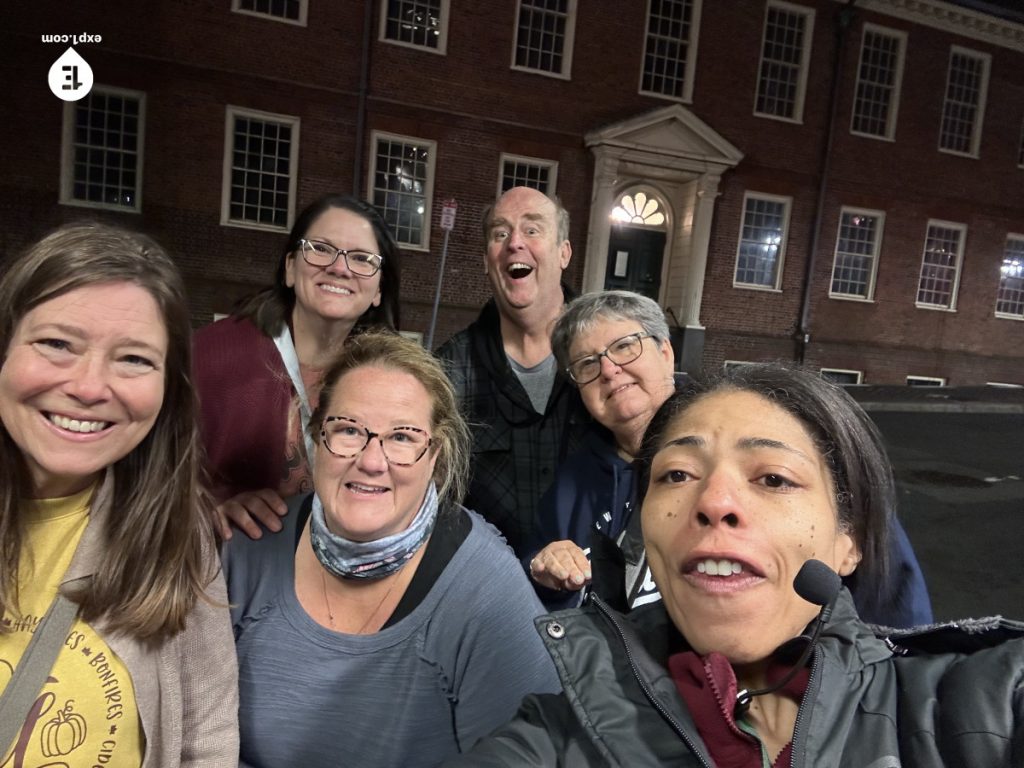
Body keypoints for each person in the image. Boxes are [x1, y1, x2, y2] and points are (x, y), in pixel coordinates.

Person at [444, 364, 1024, 767]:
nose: (713, 502)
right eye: (675, 475)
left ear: (851, 541)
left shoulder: (975, 705)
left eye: (773, 478)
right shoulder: (562, 735)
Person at [223, 331, 560, 767]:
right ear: (315, 437)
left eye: (402, 438)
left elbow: (533, 754)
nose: (371, 460)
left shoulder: (485, 587)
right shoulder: (246, 550)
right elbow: (188, 732)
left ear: (434, 455)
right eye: (348, 430)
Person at [526, 291, 933, 628]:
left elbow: (888, 591)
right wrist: (548, 580)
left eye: (625, 347)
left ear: (666, 352)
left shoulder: (769, 437)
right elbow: (546, 597)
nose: (610, 370)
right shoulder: (572, 484)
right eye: (587, 363)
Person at [0, 223, 238, 765]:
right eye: (57, 344)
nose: (88, 387)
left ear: (167, 389)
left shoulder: (177, 534)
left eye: (133, 359)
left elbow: (208, 735)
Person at [195, 194, 401, 540]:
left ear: (379, 289)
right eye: (321, 248)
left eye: (362, 258)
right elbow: (141, 474)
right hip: (230, 563)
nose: (340, 267)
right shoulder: (209, 356)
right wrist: (206, 509)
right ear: (290, 267)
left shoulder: (386, 380)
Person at [436, 186, 591, 557]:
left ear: (564, 252)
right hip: (490, 594)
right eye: (500, 233)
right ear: (487, 260)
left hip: (595, 600)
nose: (514, 243)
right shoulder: (448, 371)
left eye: (533, 230)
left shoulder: (607, 360)